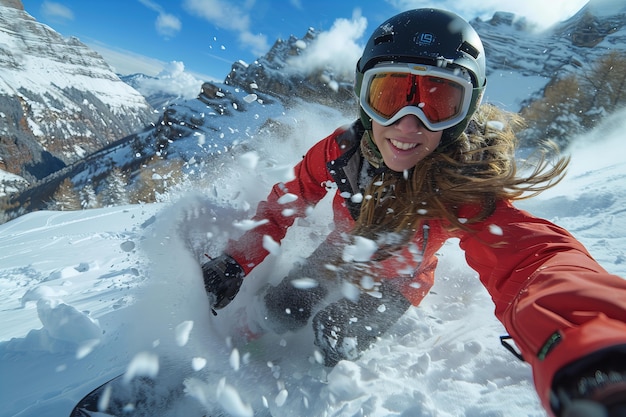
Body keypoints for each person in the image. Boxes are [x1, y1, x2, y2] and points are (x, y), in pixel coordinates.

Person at [201, 8, 626, 417]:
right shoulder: (342, 151)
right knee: (282, 308)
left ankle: (313, 386)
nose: (409, 124)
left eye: (438, 102)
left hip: (400, 281)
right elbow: (287, 201)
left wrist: (592, 340)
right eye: (390, 96)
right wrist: (237, 259)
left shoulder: (461, 185)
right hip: (339, 253)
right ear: (364, 98)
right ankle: (248, 343)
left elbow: (531, 258)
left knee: (336, 336)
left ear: (466, 112)